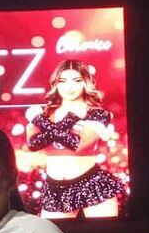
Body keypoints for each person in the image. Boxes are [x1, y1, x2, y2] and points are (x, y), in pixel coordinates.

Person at [25, 59, 124, 219]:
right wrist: (61, 123)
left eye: (76, 81)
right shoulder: (44, 113)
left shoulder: (97, 114)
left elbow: (76, 145)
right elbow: (34, 144)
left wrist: (45, 123)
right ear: (55, 84)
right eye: (62, 81)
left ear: (86, 82)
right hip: (55, 187)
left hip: (92, 183)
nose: (69, 87)